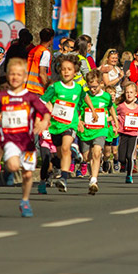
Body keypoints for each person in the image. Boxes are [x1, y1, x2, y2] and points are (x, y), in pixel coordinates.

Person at [0, 58, 50, 217]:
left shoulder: (30, 97)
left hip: (27, 141)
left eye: (18, 74)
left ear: (25, 77)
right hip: (10, 139)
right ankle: (7, 170)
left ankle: (25, 201)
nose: (15, 77)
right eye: (12, 74)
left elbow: (45, 112)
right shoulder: (3, 96)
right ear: (7, 76)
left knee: (28, 174)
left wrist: (43, 123)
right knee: (14, 165)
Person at [41, 53, 97, 193]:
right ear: (59, 70)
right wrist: (47, 108)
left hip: (70, 124)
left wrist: (92, 110)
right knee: (60, 154)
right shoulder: (55, 87)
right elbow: (42, 101)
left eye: (69, 69)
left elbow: (85, 98)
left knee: (65, 147)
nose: (66, 72)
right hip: (55, 125)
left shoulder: (78, 88)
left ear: (75, 72)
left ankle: (63, 178)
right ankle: (64, 161)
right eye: (64, 69)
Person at [78, 69, 118, 195]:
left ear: (101, 83)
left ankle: (94, 180)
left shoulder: (106, 96)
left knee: (97, 152)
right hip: (86, 130)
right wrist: (79, 122)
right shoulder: (84, 95)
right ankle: (92, 174)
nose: (92, 90)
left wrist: (115, 121)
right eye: (90, 87)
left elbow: (111, 107)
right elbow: (78, 110)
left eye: (95, 87)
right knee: (87, 157)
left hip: (101, 129)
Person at [115, 82, 138, 184]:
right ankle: (123, 164)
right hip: (123, 133)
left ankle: (129, 175)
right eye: (127, 92)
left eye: (131, 92)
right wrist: (115, 126)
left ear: (136, 94)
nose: (129, 94)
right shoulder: (121, 106)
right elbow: (115, 115)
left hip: (133, 134)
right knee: (121, 157)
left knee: (129, 155)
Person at [26, 27, 55, 95]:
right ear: (51, 39)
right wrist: (48, 88)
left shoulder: (33, 50)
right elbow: (42, 73)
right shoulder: (45, 52)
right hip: (38, 89)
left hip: (28, 87)